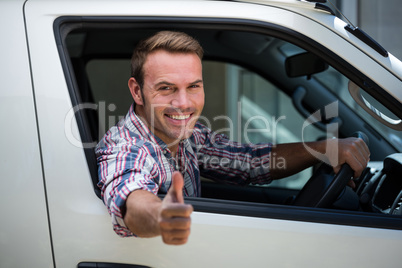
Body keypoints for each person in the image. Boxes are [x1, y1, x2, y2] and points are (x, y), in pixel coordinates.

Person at [95, 31, 370, 245]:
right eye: (166, 88)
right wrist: (161, 215)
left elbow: (250, 162)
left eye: (193, 87)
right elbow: (131, 199)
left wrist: (325, 149)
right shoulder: (127, 147)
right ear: (137, 91)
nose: (183, 103)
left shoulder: (188, 136)